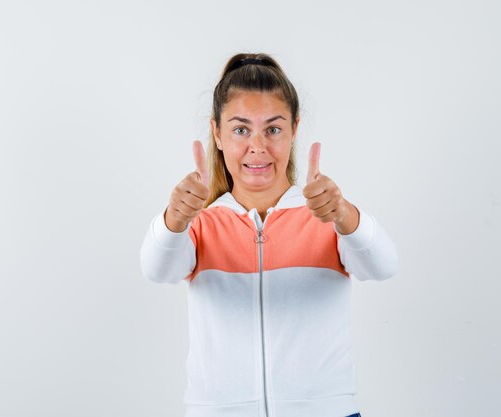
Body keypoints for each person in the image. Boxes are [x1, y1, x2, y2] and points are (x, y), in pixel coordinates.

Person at [140, 52, 398, 417]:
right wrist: (174, 220)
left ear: (294, 129)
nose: (257, 147)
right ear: (217, 133)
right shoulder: (201, 223)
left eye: (273, 129)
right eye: (241, 129)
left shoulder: (325, 214)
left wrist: (344, 214)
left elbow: (384, 264)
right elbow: (157, 269)